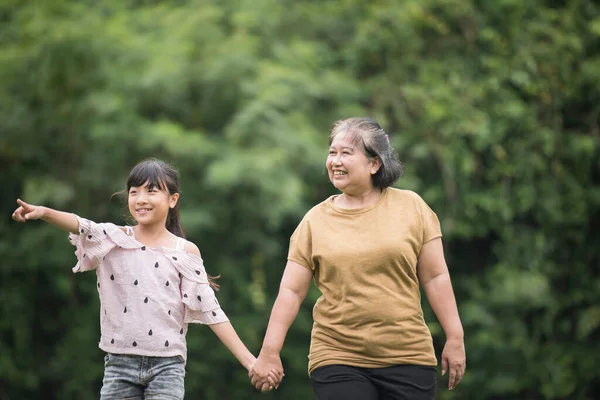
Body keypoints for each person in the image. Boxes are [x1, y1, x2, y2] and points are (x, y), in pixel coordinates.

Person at [12, 158, 280, 399]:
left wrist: (251, 362)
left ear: (172, 199)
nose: (141, 198)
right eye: (134, 192)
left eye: (151, 190)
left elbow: (212, 312)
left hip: (167, 367)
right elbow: (81, 224)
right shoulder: (113, 240)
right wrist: (45, 213)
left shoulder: (184, 252)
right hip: (119, 366)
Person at [248, 118, 466, 399]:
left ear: (374, 164)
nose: (335, 161)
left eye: (346, 153)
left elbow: (435, 277)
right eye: (332, 152)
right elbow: (291, 291)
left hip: (408, 354)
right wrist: (269, 351)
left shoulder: (412, 208)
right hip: (337, 355)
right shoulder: (314, 221)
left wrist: (455, 336)